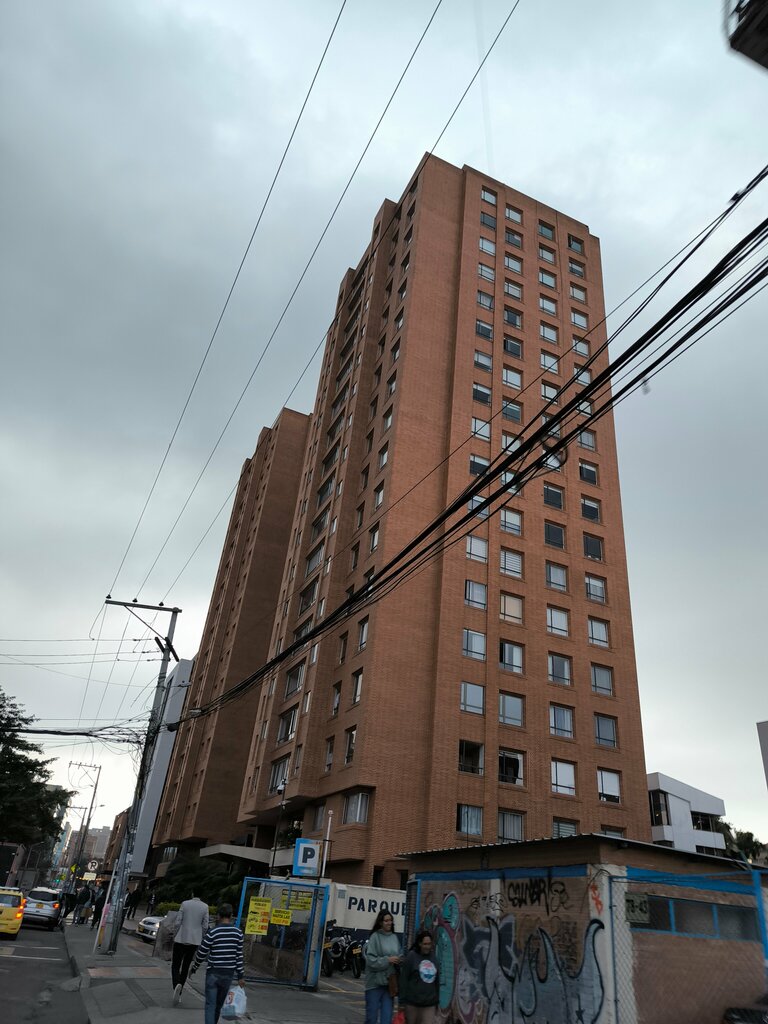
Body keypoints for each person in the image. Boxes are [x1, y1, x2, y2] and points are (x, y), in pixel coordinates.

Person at [189, 903, 244, 1024]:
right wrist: (240, 976)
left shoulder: (213, 932)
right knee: (218, 1005)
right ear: (231, 916)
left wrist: (194, 967)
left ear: (218, 916)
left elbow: (202, 952)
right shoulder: (238, 933)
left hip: (213, 972)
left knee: (210, 1004)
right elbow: (239, 956)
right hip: (228, 974)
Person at [171, 892, 210, 1006]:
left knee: (175, 965)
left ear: (192, 893)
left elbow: (178, 921)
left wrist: (175, 934)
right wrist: (200, 936)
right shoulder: (205, 907)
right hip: (194, 941)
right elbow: (205, 925)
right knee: (186, 966)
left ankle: (176, 985)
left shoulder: (185, 904)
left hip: (181, 938)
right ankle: (180, 991)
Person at [364, 908, 402, 1024]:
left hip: (389, 985)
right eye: (386, 921)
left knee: (386, 1019)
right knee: (372, 1018)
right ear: (380, 922)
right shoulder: (375, 937)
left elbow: (399, 953)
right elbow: (371, 961)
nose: (389, 923)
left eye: (390, 920)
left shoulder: (394, 937)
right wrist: (388, 960)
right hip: (374, 984)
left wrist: (399, 959)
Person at [400, 930, 439, 1023]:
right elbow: (404, 979)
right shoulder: (412, 956)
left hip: (429, 1003)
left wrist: (437, 1000)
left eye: (429, 944)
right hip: (412, 1003)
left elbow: (437, 981)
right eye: (425, 944)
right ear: (419, 944)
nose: (427, 947)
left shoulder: (434, 958)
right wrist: (402, 1002)